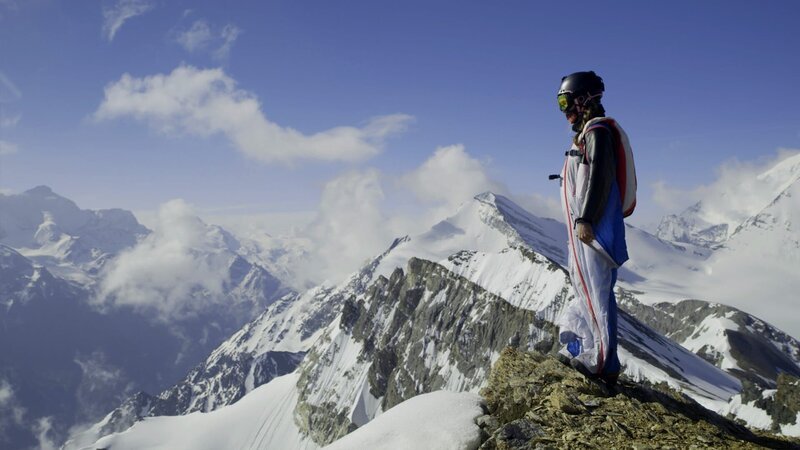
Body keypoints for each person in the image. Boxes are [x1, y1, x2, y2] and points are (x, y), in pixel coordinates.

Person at [555, 71, 630, 386]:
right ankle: (582, 349)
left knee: (596, 296)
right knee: (585, 292)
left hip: (592, 232)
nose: (564, 110)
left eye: (565, 101)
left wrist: (585, 218)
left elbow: (599, 176)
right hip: (584, 232)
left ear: (582, 98)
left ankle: (601, 363)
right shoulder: (588, 133)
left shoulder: (597, 132)